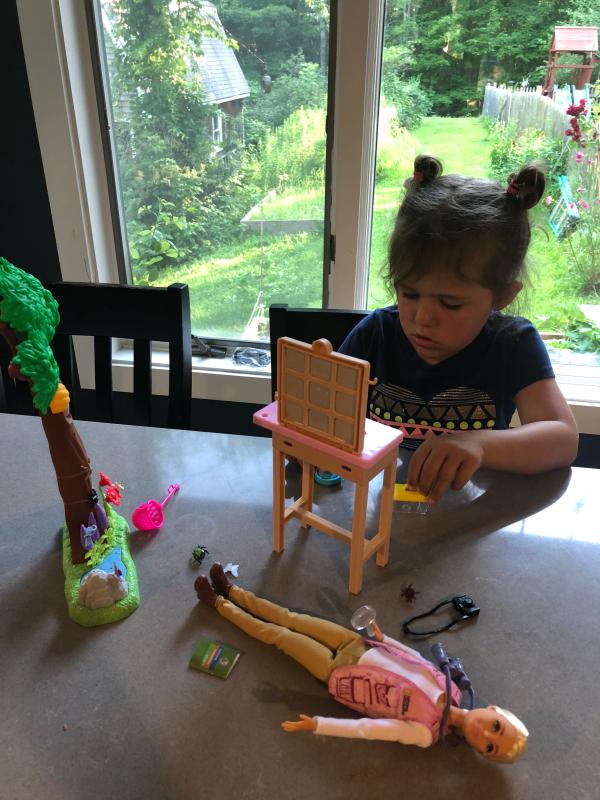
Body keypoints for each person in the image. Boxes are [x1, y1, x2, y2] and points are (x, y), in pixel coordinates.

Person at [339, 155, 578, 503]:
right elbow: (322, 414)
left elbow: (563, 439)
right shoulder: (375, 334)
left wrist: (478, 443)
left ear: (502, 296)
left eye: (450, 304)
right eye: (408, 293)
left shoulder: (512, 345)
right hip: (379, 513)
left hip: (466, 523)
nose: (422, 318)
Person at [195, 564, 528, 763]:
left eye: (489, 745)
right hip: (359, 644)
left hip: (338, 673)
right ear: (495, 710)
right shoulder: (454, 688)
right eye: (496, 726)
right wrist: (384, 640)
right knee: (291, 617)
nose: (485, 732)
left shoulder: (425, 733)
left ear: (479, 751)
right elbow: (416, 662)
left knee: (278, 636)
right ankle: (233, 591)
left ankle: (219, 605)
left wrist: (319, 725)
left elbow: (370, 730)